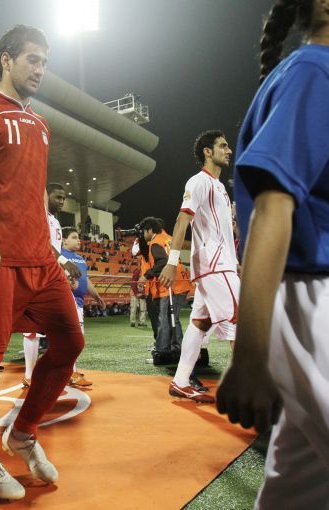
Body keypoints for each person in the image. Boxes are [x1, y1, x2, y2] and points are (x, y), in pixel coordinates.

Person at [0, 25, 84, 500]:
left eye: (45, 62)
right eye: (32, 60)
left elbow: (36, 194)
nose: (40, 70)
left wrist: (54, 251)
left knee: (70, 341)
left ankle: (22, 433)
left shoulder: (41, 125)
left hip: (41, 260)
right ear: (6, 60)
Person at [215, 2, 329, 506]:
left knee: (299, 493)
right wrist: (249, 356)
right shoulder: (315, 70)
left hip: (307, 301)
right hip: (310, 303)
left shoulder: (306, 71)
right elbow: (272, 209)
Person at [158, 130, 238, 404]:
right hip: (215, 264)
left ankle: (181, 381)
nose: (229, 150)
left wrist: (235, 262)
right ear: (208, 151)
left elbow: (221, 231)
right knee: (242, 320)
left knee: (199, 324)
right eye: (223, 146)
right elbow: (182, 220)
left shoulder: (220, 187)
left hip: (221, 264)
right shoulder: (199, 181)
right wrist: (172, 263)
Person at [23, 183, 82, 388]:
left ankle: (68, 371)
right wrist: (65, 263)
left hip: (53, 277)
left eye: (64, 198)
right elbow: (42, 244)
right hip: (35, 276)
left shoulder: (55, 221)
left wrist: (64, 273)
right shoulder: (36, 215)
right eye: (58, 197)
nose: (62, 201)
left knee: (67, 326)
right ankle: (29, 375)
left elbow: (54, 251)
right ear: (46, 196)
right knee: (32, 329)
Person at [60, 227, 104, 388]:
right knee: (74, 338)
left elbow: (86, 280)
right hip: (67, 300)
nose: (78, 240)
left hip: (79, 302)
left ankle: (69, 372)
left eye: (78, 237)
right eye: (74, 237)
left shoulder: (80, 259)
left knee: (75, 339)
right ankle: (70, 373)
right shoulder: (60, 256)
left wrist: (96, 296)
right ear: (64, 241)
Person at [140, 217, 186, 365]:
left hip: (170, 285)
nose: (143, 235)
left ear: (149, 230)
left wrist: (146, 275)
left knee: (166, 320)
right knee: (172, 319)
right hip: (179, 282)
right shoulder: (168, 238)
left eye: (144, 231)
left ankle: (165, 351)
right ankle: (175, 350)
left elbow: (162, 262)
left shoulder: (156, 242)